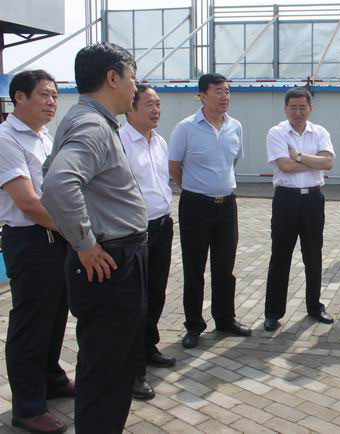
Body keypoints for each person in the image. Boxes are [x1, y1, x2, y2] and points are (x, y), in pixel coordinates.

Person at [42, 42, 148, 433]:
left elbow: (49, 171)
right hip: (110, 264)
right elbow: (58, 183)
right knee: (109, 369)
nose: (135, 87)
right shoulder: (92, 125)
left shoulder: (84, 119)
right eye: (132, 77)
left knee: (106, 364)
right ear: (112, 78)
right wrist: (85, 244)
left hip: (113, 258)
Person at [0, 70, 73, 433]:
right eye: (44, 95)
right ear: (19, 97)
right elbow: (28, 203)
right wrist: (75, 231)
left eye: (55, 96)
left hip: (55, 238)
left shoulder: (45, 137)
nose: (51, 102)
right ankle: (27, 407)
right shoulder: (6, 139)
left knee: (55, 315)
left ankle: (51, 379)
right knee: (30, 323)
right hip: (30, 241)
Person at [169, 73, 251, 349]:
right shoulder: (185, 128)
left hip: (226, 205)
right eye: (218, 91)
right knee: (194, 268)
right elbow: (174, 166)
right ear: (202, 96)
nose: (225, 96)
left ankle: (225, 319)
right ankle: (194, 325)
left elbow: (232, 162)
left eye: (227, 91)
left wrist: (217, 186)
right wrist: (194, 189)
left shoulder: (235, 126)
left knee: (225, 267)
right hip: (195, 206)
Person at [263, 87, 336, 331]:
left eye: (302, 107)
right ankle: (273, 312)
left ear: (310, 108)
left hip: (313, 200)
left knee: (313, 255)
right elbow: (285, 166)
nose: (297, 112)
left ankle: (315, 306)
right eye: (292, 107)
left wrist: (299, 156)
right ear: (285, 109)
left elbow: (329, 162)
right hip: (286, 200)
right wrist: (313, 161)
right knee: (280, 256)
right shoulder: (276, 132)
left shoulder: (320, 132)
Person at [120, 85, 175, 401]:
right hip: (134, 232)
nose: (156, 110)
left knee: (156, 291)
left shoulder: (160, 141)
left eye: (158, 104)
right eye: (150, 104)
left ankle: (148, 346)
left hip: (162, 226)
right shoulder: (120, 142)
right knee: (134, 300)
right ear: (131, 108)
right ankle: (132, 369)